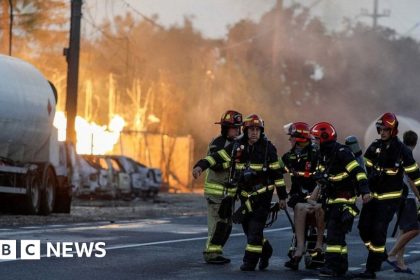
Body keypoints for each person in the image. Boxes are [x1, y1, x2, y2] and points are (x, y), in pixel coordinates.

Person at [193, 114, 287, 271]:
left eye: (257, 130)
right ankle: (266, 250)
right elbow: (216, 157)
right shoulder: (237, 146)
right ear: (246, 130)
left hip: (263, 197)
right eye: (251, 129)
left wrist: (283, 197)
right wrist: (200, 166)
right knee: (248, 229)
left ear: (261, 131)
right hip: (245, 198)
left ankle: (249, 263)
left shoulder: (267, 148)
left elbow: (278, 175)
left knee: (255, 229)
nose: (254, 133)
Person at [357, 113, 420, 279]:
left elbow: (415, 175)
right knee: (363, 229)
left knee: (378, 231)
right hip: (372, 197)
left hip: (389, 200)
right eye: (381, 129)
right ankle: (379, 253)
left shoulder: (402, 150)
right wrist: (365, 190)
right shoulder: (374, 146)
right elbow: (365, 170)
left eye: (386, 129)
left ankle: (371, 269)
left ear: (393, 130)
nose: (383, 132)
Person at [309, 122, 371, 278]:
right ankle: (341, 266)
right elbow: (322, 174)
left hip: (344, 200)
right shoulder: (323, 154)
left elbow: (358, 172)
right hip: (331, 200)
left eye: (316, 139)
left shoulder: (342, 152)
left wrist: (364, 191)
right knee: (338, 235)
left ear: (324, 138)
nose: (313, 142)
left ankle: (331, 266)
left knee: (334, 235)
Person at [198, 110, 242, 264]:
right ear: (224, 128)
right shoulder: (218, 143)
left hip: (229, 194)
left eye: (238, 128)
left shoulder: (238, 144)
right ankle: (211, 253)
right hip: (216, 193)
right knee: (217, 224)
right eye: (234, 128)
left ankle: (217, 251)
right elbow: (215, 164)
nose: (237, 131)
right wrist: (232, 163)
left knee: (226, 225)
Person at [282, 122, 325, 270]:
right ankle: (299, 249)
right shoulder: (289, 156)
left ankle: (319, 247)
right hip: (299, 197)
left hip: (317, 196)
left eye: (292, 137)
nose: (290, 140)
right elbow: (277, 171)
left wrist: (313, 197)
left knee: (318, 211)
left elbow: (321, 180)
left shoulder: (316, 155)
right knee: (300, 208)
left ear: (300, 138)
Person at [386, 130, 420, 275]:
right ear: (416, 142)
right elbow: (411, 179)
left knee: (403, 229)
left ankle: (400, 263)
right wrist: (419, 196)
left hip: (397, 196)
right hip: (407, 198)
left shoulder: (399, 153)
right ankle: (391, 254)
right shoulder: (408, 155)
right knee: (415, 229)